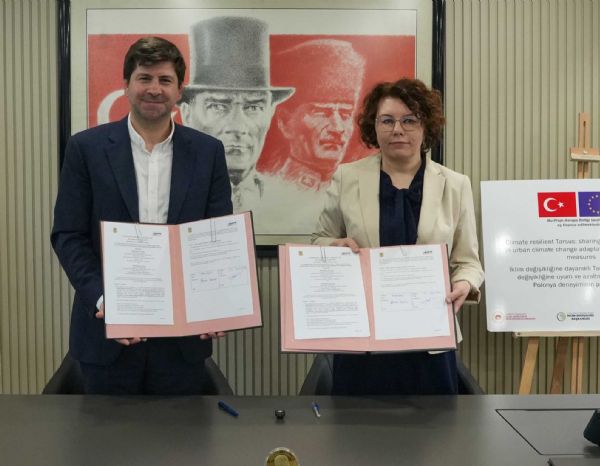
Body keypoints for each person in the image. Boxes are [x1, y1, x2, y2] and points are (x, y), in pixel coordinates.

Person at [51, 37, 233, 395]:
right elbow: (68, 235)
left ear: (180, 90)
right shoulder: (85, 148)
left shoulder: (207, 152)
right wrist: (103, 299)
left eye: (165, 80)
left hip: (182, 340)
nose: (154, 89)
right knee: (105, 433)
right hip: (108, 335)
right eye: (144, 78)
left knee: (179, 431)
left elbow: (217, 235)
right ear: (126, 84)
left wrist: (215, 303)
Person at [311, 78, 484, 395]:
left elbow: (468, 262)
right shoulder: (347, 177)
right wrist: (335, 246)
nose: (398, 130)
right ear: (373, 126)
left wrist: (464, 284)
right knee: (356, 422)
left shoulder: (455, 185)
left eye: (409, 120)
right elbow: (319, 240)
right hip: (363, 340)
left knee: (436, 425)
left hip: (430, 339)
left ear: (425, 126)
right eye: (387, 120)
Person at [178, 16, 294, 213]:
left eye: (253, 107)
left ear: (270, 113)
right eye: (218, 106)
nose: (238, 127)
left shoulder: (290, 202)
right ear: (187, 114)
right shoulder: (168, 195)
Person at [262, 39, 365, 191]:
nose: (337, 128)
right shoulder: (266, 192)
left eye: (345, 114)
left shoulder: (358, 191)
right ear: (284, 122)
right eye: (321, 113)